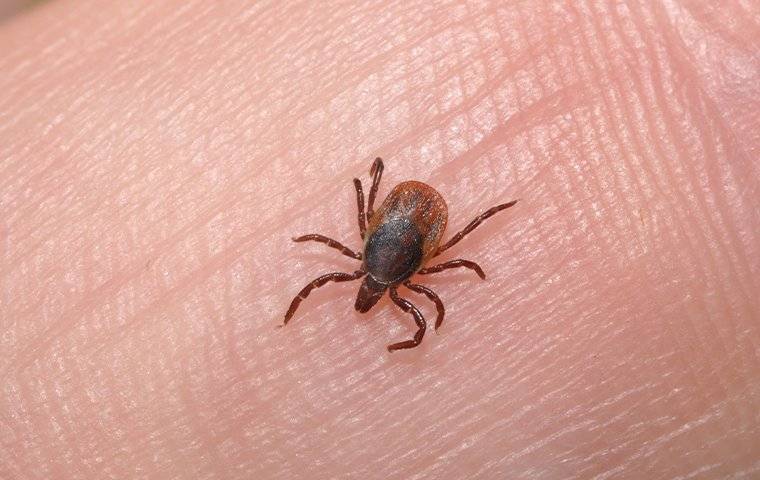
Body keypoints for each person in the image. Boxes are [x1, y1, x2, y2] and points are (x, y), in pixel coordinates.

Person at [1, 1, 758, 478]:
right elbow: (432, 279)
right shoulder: (404, 273)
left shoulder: (363, 259)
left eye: (374, 290)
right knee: (443, 237)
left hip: (400, 212)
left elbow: (405, 277)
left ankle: (422, 199)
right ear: (372, 262)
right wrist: (404, 306)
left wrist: (403, 314)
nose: (367, 292)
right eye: (373, 285)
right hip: (407, 216)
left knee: (430, 235)